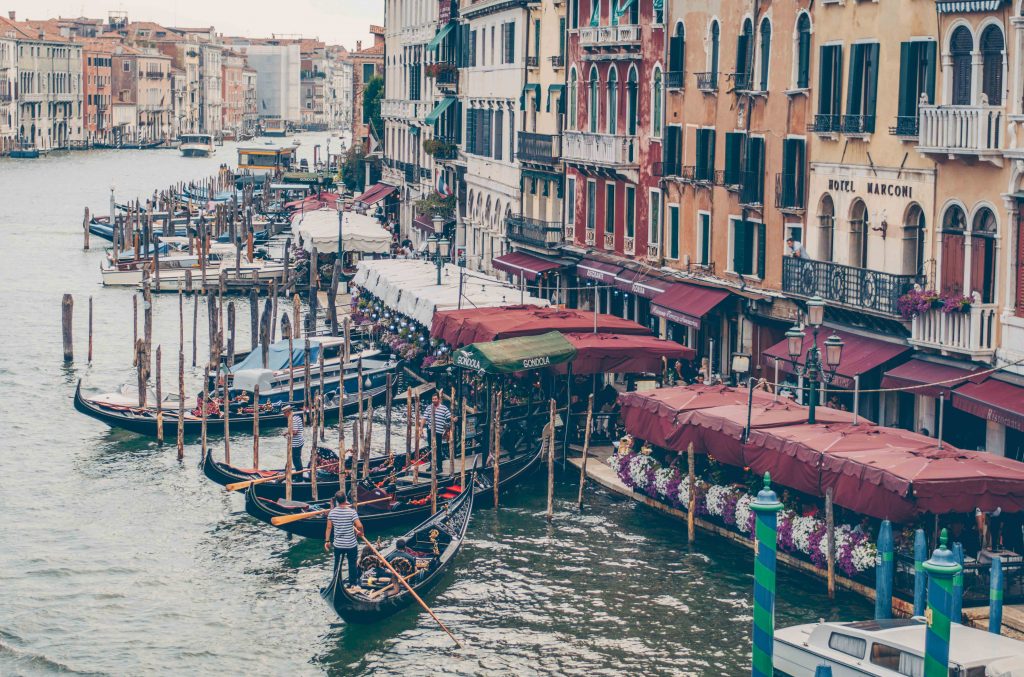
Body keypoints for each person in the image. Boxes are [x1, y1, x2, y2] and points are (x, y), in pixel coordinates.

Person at [325, 490, 364, 588]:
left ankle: (335, 582)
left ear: (337, 501)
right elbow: (359, 525)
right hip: (351, 544)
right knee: (352, 564)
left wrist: (327, 541)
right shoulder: (352, 512)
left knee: (337, 564)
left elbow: (329, 528)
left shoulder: (332, 513)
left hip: (338, 544)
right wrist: (361, 532)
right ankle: (353, 584)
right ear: (346, 499)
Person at [420, 393, 452, 461]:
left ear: (439, 399)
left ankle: (439, 467)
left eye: (435, 399)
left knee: (438, 449)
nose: (434, 400)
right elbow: (424, 419)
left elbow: (449, 418)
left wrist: (447, 430)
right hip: (430, 431)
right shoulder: (429, 408)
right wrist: (421, 430)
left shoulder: (444, 408)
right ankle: (431, 465)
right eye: (433, 399)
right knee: (430, 448)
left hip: (439, 432)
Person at [287, 406, 305, 474]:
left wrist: (286, 433)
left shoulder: (293, 419)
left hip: (296, 443)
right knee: (297, 459)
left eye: (284, 413)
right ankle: (299, 473)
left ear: (288, 412)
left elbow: (295, 432)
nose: (284, 415)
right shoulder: (297, 416)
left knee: (296, 460)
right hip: (299, 441)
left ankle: (299, 477)